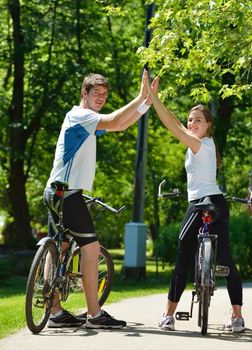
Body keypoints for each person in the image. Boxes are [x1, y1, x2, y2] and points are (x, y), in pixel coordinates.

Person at [44, 71, 156, 329]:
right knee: (91, 250)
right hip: (69, 194)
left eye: (105, 95)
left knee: (59, 247)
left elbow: (119, 125)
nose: (102, 98)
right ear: (84, 94)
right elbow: (114, 118)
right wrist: (140, 95)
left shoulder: (85, 121)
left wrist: (147, 103)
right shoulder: (80, 116)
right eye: (97, 94)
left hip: (54, 192)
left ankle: (54, 310)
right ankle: (95, 314)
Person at [146, 76, 245, 333]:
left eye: (198, 120)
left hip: (201, 203)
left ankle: (168, 315)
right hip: (219, 204)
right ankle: (237, 319)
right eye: (190, 120)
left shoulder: (199, 143)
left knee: (183, 254)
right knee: (226, 261)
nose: (192, 123)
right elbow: (175, 121)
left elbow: (172, 126)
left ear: (208, 125)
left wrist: (152, 98)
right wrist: (157, 98)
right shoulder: (206, 143)